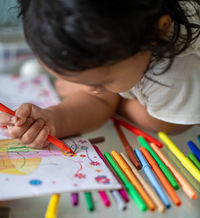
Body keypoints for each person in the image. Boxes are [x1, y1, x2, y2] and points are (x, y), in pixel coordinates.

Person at [0, 0, 199, 148]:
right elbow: (100, 101)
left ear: (157, 34)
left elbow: (169, 124)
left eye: (102, 82)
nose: (87, 90)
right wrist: (53, 120)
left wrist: (117, 103)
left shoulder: (173, 72)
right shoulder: (121, 53)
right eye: (76, 79)